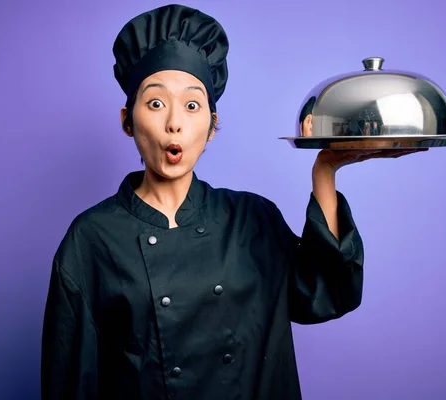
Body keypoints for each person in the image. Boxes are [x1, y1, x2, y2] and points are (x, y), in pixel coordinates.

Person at [40, 4, 425, 400]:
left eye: (192, 105)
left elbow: (325, 294)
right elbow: (69, 382)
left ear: (211, 126)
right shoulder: (91, 239)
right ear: (127, 119)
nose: (175, 122)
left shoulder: (251, 218)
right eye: (156, 103)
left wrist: (325, 169)